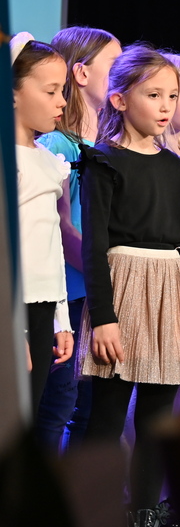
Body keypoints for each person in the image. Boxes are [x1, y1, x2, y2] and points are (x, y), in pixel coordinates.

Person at [77, 44, 180, 526]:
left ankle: (146, 510)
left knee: (158, 417)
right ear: (119, 100)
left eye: (172, 96)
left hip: (170, 290)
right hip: (124, 287)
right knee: (108, 413)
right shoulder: (103, 162)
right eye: (153, 95)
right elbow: (94, 248)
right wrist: (104, 318)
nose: (166, 106)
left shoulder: (176, 168)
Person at [36, 25, 121, 452]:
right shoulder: (58, 145)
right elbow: (60, 226)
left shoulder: (106, 148)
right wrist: (101, 271)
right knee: (57, 405)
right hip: (68, 296)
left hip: (95, 295)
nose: (125, 73)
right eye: (115, 64)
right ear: (82, 74)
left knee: (88, 409)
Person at [11, 35, 74, 417]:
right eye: (50, 91)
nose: (61, 101)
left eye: (62, 90)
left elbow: (52, 251)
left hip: (40, 307)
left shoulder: (49, 162)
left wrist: (61, 320)